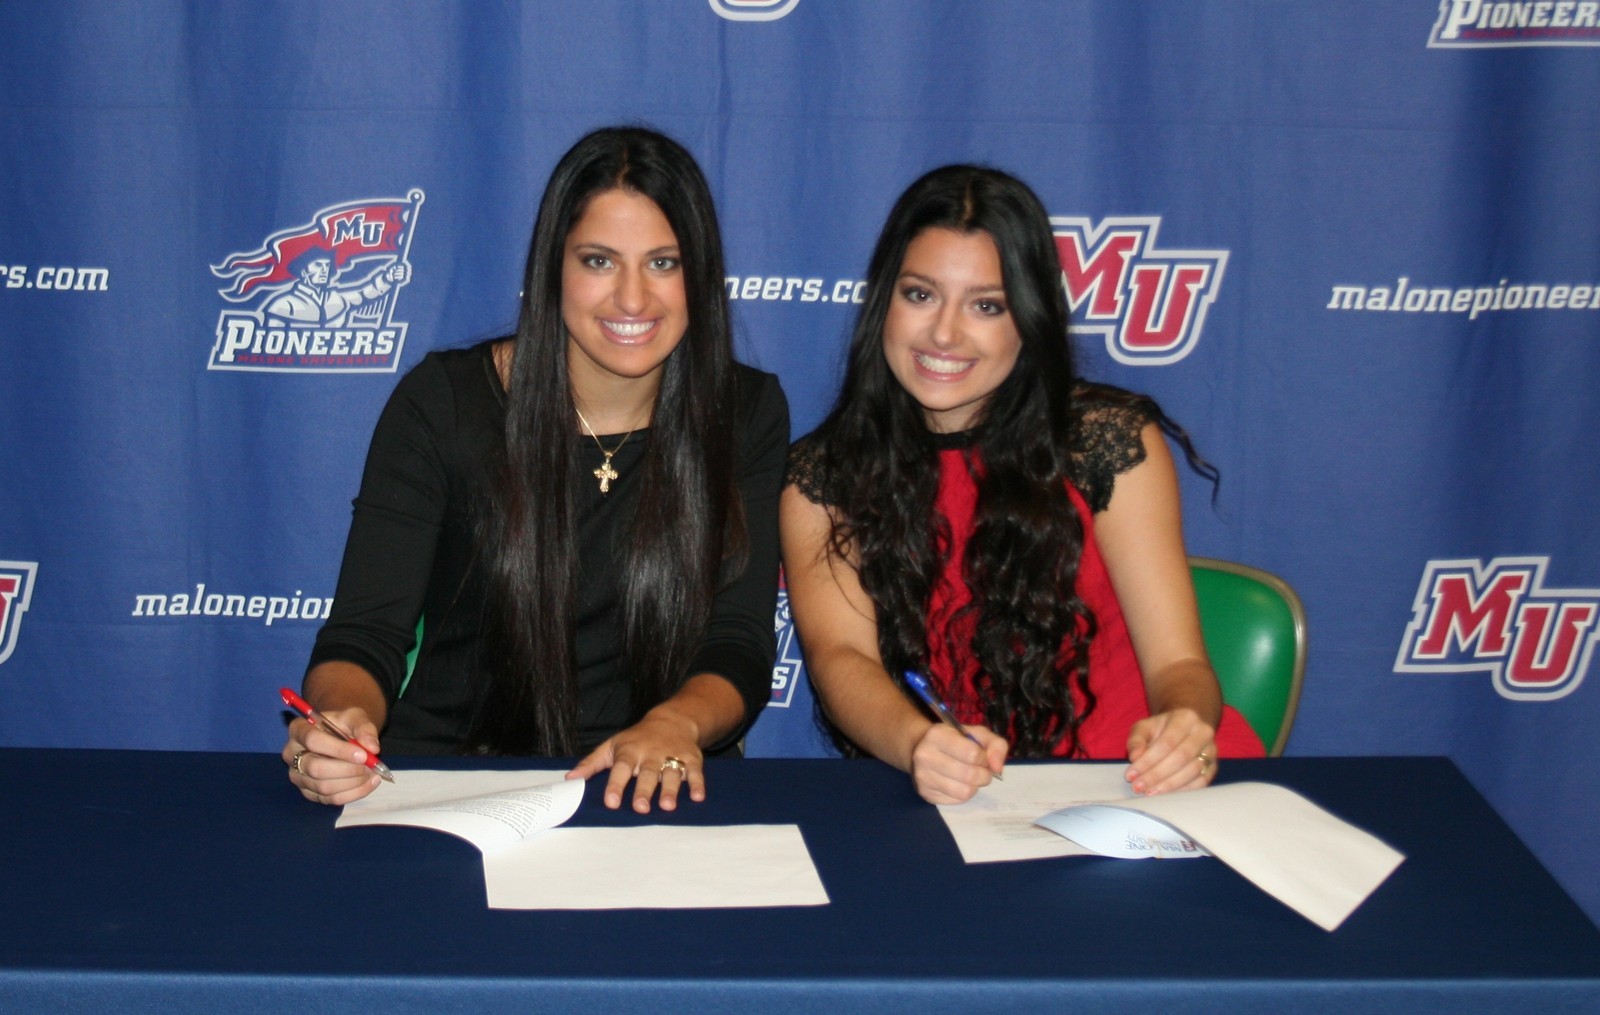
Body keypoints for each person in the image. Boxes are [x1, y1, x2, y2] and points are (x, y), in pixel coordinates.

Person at [283, 126, 789, 813]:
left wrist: (678, 722)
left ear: (700, 275)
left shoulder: (747, 411)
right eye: (600, 261)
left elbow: (740, 640)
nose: (634, 299)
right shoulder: (443, 403)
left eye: (665, 263)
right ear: (552, 268)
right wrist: (342, 722)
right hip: (451, 788)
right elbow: (363, 635)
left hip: (656, 791)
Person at [781, 165, 1262, 806]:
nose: (945, 334)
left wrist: (1185, 726)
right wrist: (917, 743)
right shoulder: (823, 476)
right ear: (883, 304)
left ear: (1028, 319)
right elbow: (842, 661)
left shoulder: (1106, 440)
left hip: (1141, 785)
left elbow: (1181, 667)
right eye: (920, 295)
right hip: (965, 796)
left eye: (987, 305)